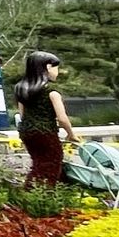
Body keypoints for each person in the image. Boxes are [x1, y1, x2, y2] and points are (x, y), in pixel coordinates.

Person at [14, 51, 78, 186]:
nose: (57, 72)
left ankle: (30, 191)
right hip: (46, 133)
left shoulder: (22, 90)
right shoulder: (52, 92)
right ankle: (42, 194)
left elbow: (22, 115)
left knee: (38, 164)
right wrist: (71, 134)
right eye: (56, 68)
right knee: (52, 164)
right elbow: (62, 118)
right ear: (48, 67)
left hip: (27, 132)